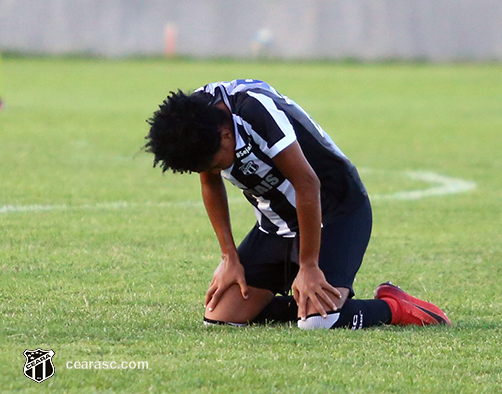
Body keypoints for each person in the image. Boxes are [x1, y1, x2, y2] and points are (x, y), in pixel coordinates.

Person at [144, 79, 450, 330]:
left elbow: (307, 184)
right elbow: (209, 181)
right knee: (221, 318)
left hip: (335, 212)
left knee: (320, 324)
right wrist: (229, 257)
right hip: (276, 226)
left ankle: (393, 306)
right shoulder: (198, 119)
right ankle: (307, 308)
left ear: (226, 136)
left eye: (213, 162)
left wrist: (309, 265)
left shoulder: (255, 110)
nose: (213, 170)